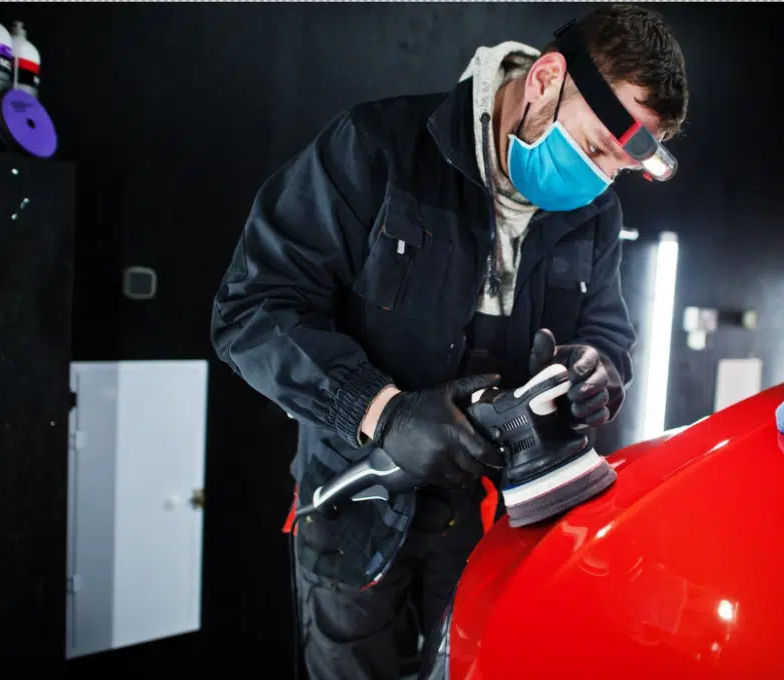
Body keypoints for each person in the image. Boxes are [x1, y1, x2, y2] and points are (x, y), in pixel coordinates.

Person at [209, 4, 688, 678]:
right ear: (547, 78)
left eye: (616, 168)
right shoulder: (376, 149)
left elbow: (606, 330)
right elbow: (251, 311)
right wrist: (382, 412)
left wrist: (598, 368)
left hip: (497, 526)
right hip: (361, 510)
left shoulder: (595, 209)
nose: (597, 181)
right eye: (590, 150)